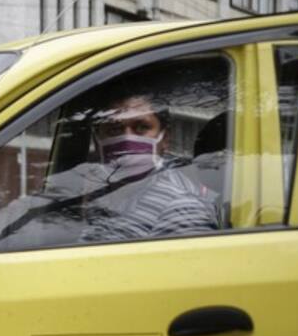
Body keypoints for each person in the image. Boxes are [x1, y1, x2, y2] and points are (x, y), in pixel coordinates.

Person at [67, 92, 221, 243]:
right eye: (114, 129)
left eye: (141, 127)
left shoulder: (181, 210)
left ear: (165, 139)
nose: (127, 139)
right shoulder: (101, 195)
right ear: (97, 139)